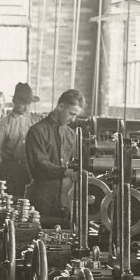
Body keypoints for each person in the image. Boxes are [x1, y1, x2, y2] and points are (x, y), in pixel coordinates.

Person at [24, 89, 85, 224]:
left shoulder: (71, 135)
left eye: (76, 115)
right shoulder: (37, 131)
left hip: (65, 199)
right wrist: (66, 171)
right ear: (60, 107)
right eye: (71, 114)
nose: (73, 119)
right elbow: (40, 165)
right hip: (42, 198)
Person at [0, 82, 39, 200]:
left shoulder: (36, 120)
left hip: (30, 171)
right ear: (15, 101)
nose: (27, 107)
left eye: (29, 104)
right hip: (9, 172)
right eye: (23, 103)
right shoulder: (3, 125)